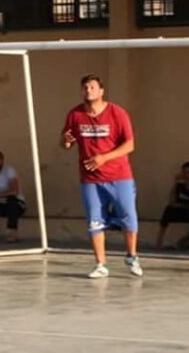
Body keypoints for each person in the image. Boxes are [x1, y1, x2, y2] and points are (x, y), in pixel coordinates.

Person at [61, 74, 143, 279]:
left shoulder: (117, 113)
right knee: (95, 221)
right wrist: (66, 141)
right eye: (85, 88)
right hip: (90, 179)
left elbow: (129, 145)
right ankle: (100, 264)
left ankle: (132, 256)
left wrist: (104, 158)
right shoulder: (75, 114)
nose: (88, 91)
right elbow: (65, 144)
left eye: (92, 87)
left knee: (128, 217)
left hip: (119, 176)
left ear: (101, 91)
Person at [154, 161, 189, 250]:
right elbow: (171, 201)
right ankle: (159, 242)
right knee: (168, 210)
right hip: (180, 210)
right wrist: (175, 183)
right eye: (184, 172)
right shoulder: (180, 186)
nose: (186, 175)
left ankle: (185, 240)